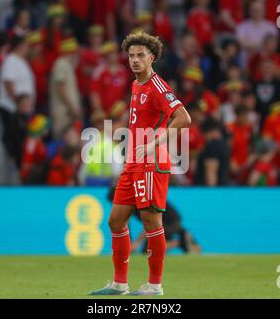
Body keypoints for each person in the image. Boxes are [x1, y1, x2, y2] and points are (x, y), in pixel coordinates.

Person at [89, 32, 191, 296]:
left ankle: (155, 286)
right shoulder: (136, 85)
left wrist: (155, 143)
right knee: (115, 220)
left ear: (152, 57)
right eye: (131, 56)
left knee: (151, 222)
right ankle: (120, 284)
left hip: (151, 162)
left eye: (140, 55)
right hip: (133, 162)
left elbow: (184, 118)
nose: (134, 60)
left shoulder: (158, 86)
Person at [194, 117, 230, 186]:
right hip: (222, 187)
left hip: (210, 192)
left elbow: (211, 171)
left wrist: (211, 194)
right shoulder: (224, 145)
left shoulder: (213, 146)